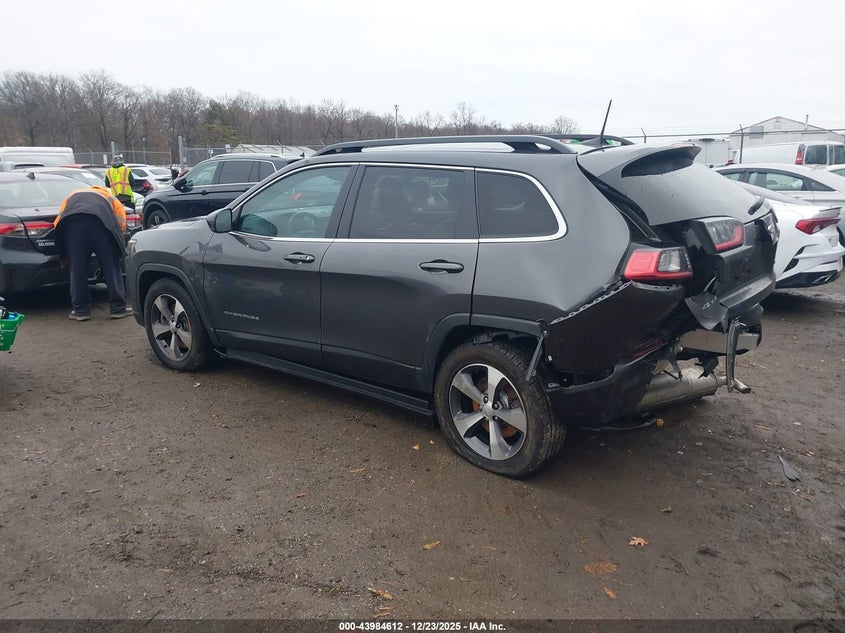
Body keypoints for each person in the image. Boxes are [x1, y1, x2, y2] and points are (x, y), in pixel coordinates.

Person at [53, 186, 133, 321]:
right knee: (111, 267)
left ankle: (81, 311)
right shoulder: (108, 196)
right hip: (102, 226)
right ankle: (118, 309)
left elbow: (58, 221)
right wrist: (117, 237)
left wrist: (65, 244)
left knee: (77, 270)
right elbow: (120, 220)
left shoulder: (71, 195)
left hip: (74, 228)